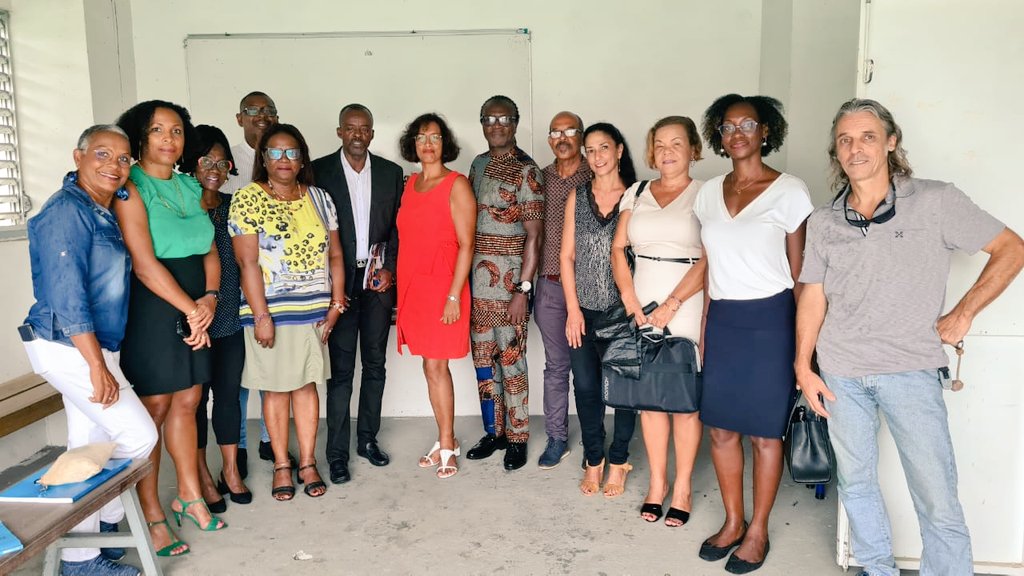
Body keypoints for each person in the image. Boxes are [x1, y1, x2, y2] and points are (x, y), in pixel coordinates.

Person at [795, 99, 1024, 576]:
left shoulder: (935, 201)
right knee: (856, 484)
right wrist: (803, 366)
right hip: (841, 373)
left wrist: (964, 313)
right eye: (844, 140)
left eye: (867, 137)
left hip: (911, 371)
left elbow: (1011, 248)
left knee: (936, 496)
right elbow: (813, 295)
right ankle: (877, 569)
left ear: (891, 142)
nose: (855, 148)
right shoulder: (824, 221)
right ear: (836, 150)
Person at [19, 125, 158, 576]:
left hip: (94, 344)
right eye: (102, 154)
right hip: (69, 346)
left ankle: (83, 550)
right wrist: (97, 366)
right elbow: (68, 297)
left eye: (123, 159)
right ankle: (104, 525)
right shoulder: (67, 211)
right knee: (138, 436)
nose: (113, 165)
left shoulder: (100, 208)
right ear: (77, 157)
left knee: (89, 442)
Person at [693, 94, 813, 573]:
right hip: (724, 320)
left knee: (765, 433)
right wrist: (705, 326)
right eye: (728, 126)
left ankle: (758, 530)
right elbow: (709, 267)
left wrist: (804, 346)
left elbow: (802, 275)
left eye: (748, 124)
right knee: (721, 429)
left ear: (766, 131)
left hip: (771, 323)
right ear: (718, 136)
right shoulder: (708, 194)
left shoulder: (789, 191)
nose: (737, 132)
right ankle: (732, 521)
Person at [114, 100, 227, 556]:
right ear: (140, 136)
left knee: (190, 399)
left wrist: (210, 298)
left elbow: (209, 249)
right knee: (155, 407)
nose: (168, 138)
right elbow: (143, 264)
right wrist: (190, 310)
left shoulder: (188, 185)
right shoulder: (129, 188)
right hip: (153, 307)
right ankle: (153, 515)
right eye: (158, 130)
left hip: (197, 304)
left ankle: (189, 496)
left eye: (176, 131)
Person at [228, 123, 345, 501]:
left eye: (291, 152)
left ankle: (308, 462)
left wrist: (336, 305)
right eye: (275, 152)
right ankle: (281, 463)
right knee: (276, 390)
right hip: (271, 315)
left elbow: (336, 255)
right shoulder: (247, 198)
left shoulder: (320, 198)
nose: (283, 159)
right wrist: (261, 316)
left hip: (312, 312)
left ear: (302, 159)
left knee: (306, 386)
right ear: (263, 159)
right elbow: (247, 263)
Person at [610, 116, 707, 525]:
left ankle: (683, 487)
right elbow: (618, 248)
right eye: (660, 144)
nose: (667, 152)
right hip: (642, 306)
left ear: (693, 149)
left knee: (683, 402)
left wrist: (672, 303)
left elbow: (711, 256)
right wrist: (631, 301)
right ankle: (657, 483)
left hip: (687, 303)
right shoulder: (636, 192)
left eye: (677, 143)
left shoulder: (707, 194)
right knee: (650, 401)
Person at [312, 103, 404, 485]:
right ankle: (336, 454)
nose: (357, 134)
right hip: (340, 286)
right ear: (339, 132)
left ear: (372, 134)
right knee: (340, 373)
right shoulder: (318, 171)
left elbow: (399, 227)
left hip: (377, 284)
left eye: (364, 128)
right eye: (350, 128)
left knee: (376, 366)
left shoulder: (390, 173)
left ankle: (367, 439)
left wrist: (391, 268)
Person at [465, 95, 544, 471]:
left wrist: (523, 290)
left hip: (511, 286)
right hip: (478, 286)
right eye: (489, 119)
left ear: (515, 123)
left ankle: (518, 437)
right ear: (482, 123)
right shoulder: (478, 164)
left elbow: (535, 236)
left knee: (511, 363)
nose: (496, 125)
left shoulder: (527, 170)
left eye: (504, 119)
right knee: (484, 363)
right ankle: (494, 432)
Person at [395, 112, 475, 479]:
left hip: (444, 288)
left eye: (435, 137)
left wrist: (454, 296)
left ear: (446, 144)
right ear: (413, 144)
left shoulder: (457, 185)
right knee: (428, 366)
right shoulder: (410, 184)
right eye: (422, 137)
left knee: (437, 366)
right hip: (414, 288)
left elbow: (466, 244)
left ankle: (447, 443)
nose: (428, 144)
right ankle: (446, 437)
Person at [560, 122, 638, 498]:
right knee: (586, 387)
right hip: (584, 312)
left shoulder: (637, 196)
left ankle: (619, 459)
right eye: (589, 150)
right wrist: (572, 310)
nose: (597, 156)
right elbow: (567, 256)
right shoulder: (577, 196)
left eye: (603, 147)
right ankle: (594, 458)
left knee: (624, 390)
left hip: (622, 314)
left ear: (619, 150)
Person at [181, 124, 251, 512]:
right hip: (191, 319)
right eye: (207, 161)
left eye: (222, 163)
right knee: (195, 400)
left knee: (228, 396)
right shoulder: (179, 206)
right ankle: (203, 476)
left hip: (228, 317)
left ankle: (230, 470)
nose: (215, 169)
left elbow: (246, 260)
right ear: (192, 163)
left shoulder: (234, 205)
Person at [222, 90, 287, 475]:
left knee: (269, 361)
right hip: (233, 275)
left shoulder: (281, 161)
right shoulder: (227, 161)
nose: (262, 116)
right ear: (239, 118)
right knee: (238, 369)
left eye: (269, 111)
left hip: (275, 280)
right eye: (253, 110)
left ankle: (268, 438)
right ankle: (240, 445)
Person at [535, 110, 591, 469]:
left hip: (590, 288)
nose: (562, 138)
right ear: (549, 139)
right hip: (550, 286)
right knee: (556, 367)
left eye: (570, 131)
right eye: (556, 132)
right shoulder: (540, 179)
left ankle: (593, 442)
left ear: (581, 136)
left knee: (589, 370)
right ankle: (556, 437)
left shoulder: (596, 174)